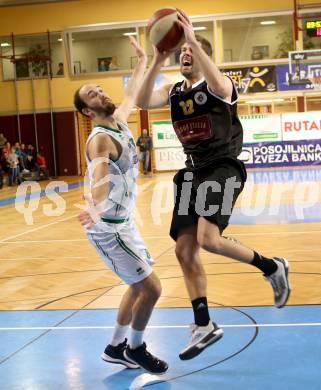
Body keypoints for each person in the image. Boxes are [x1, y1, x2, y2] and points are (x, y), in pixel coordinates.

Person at [136, 12, 291, 361]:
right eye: (182, 53)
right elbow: (143, 100)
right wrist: (159, 58)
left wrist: (192, 38)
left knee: (208, 240)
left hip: (222, 167)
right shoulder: (174, 91)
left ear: (203, 57)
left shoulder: (220, 87)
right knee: (184, 250)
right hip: (191, 173)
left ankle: (272, 267)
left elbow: (220, 83)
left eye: (190, 52)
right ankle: (203, 324)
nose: (185, 56)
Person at [73, 36, 168, 374]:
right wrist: (95, 208)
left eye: (100, 88)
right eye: (92, 94)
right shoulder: (100, 139)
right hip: (108, 229)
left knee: (137, 285)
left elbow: (131, 94)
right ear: (87, 110)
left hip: (123, 222)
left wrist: (143, 60)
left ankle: (115, 347)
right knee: (152, 288)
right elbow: (99, 177)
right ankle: (136, 348)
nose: (101, 92)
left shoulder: (120, 121)